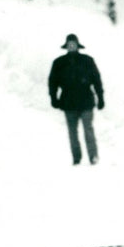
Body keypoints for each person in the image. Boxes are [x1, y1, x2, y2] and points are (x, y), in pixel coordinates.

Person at [48, 33, 104, 165]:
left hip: (86, 101)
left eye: (73, 44)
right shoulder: (59, 63)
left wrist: (100, 97)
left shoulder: (87, 60)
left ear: (78, 46)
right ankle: (76, 158)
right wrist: (53, 98)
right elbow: (53, 82)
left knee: (88, 129)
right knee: (72, 132)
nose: (71, 46)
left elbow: (97, 80)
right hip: (69, 102)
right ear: (66, 46)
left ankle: (93, 156)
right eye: (69, 44)